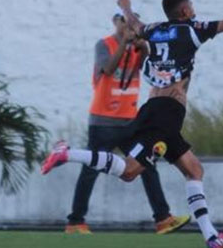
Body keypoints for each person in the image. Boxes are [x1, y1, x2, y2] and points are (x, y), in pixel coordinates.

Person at [42, 0, 223, 248]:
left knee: (194, 170)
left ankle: (211, 237)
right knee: (129, 172)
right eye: (191, 4)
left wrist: (126, 7)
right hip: (165, 113)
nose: (194, 8)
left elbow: (135, 24)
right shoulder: (192, 30)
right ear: (184, 11)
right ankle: (67, 153)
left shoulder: (155, 29)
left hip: (161, 111)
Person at [65, 12, 190, 235]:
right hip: (103, 119)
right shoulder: (104, 45)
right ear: (116, 23)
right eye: (125, 23)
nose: (129, 28)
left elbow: (149, 66)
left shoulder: (137, 47)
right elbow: (109, 69)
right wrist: (124, 42)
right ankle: (75, 222)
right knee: (91, 170)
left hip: (130, 120)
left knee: (147, 166)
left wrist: (144, 47)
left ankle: (163, 219)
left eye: (132, 24)